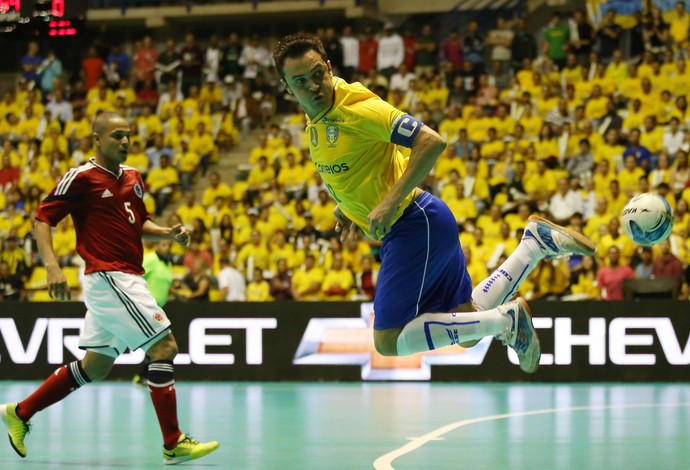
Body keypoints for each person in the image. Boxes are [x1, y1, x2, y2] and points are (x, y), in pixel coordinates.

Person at [272, 33, 596, 374]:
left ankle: (506, 321)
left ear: (328, 67)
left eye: (317, 74)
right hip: (426, 221)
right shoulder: (315, 115)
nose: (313, 86)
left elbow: (431, 142)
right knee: (469, 328)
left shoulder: (358, 110)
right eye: (300, 81)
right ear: (287, 88)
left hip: (413, 223)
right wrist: (350, 206)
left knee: (388, 340)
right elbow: (362, 163)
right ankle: (532, 246)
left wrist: (387, 202)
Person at [0, 113, 218, 465]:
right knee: (164, 347)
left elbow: (138, 221)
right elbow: (42, 218)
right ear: (97, 139)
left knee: (96, 366)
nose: (125, 141)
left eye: (128, 135)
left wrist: (168, 234)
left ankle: (20, 412)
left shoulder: (133, 177)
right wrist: (52, 266)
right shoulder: (81, 178)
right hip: (109, 276)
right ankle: (173, 442)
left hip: (128, 275)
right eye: (117, 135)